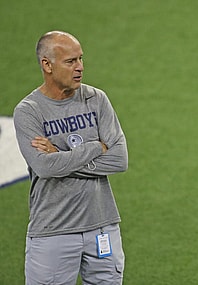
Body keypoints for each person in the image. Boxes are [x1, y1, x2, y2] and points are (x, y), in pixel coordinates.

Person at [13, 31, 128, 285]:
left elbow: (119, 159)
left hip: (102, 226)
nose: (80, 68)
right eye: (70, 61)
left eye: (80, 59)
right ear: (47, 64)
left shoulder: (96, 99)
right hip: (54, 232)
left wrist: (61, 156)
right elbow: (44, 167)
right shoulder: (29, 112)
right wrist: (96, 147)